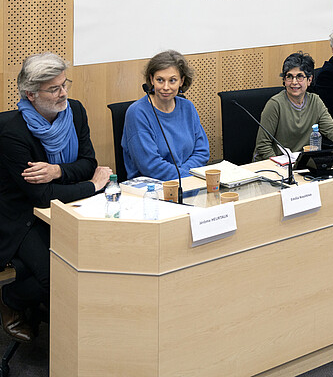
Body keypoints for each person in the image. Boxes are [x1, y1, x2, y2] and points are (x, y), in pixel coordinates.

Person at [0, 53, 112, 342]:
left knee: (103, 257)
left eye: (64, 84)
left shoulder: (75, 111)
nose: (64, 93)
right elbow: (40, 195)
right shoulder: (13, 133)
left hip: (68, 203)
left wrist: (57, 170)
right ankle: (11, 298)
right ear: (31, 95)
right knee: (57, 275)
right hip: (23, 216)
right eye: (54, 89)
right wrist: (92, 186)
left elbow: (89, 163)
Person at [254, 52, 333, 161]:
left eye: (300, 77)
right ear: (284, 80)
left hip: (300, 163)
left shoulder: (315, 101)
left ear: (309, 80)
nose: (294, 82)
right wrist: (281, 165)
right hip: (274, 164)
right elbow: (263, 145)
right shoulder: (275, 104)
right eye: (289, 77)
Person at [122, 50, 210, 180]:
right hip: (152, 190)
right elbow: (151, 166)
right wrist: (185, 176)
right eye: (160, 80)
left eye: (172, 80)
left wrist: (183, 175)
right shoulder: (137, 113)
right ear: (151, 80)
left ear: (181, 81)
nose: (166, 87)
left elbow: (202, 152)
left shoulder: (187, 107)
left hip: (189, 183)